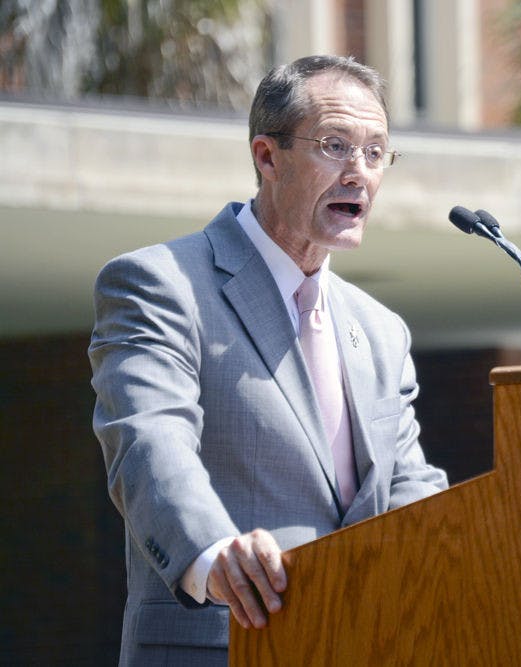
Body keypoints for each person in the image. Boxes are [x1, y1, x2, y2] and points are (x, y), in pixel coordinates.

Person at [89, 55, 448, 665]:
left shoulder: (381, 331)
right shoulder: (160, 284)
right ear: (266, 156)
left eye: (375, 151)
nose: (358, 172)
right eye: (335, 145)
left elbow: (410, 496)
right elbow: (150, 445)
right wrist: (214, 555)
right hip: (222, 643)